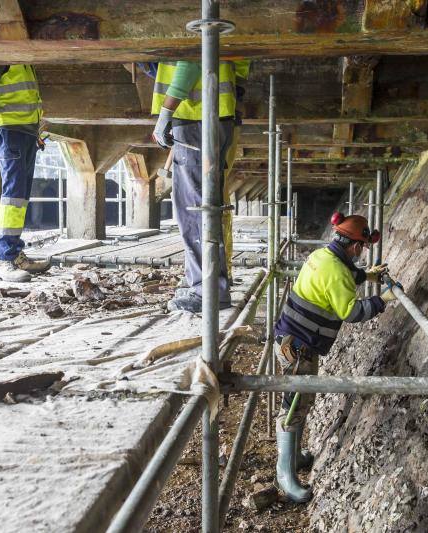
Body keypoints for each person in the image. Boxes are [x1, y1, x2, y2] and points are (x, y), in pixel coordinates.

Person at [272, 212, 397, 502]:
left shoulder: (322, 256)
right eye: (362, 247)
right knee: (292, 406)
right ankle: (284, 474)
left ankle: (294, 457)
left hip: (292, 340)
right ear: (354, 246)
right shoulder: (337, 271)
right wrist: (383, 300)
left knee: (299, 402)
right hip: (298, 348)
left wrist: (367, 275)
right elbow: (352, 312)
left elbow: (344, 273)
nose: (362, 252)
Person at [151, 59, 248, 312]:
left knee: (194, 212)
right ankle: (206, 285)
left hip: (195, 117)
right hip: (213, 117)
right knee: (203, 208)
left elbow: (192, 62)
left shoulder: (188, 27)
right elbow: (240, 70)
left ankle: (207, 291)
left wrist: (165, 114)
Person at [0, 64, 51, 282]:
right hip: (8, 130)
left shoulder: (25, 62)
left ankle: (14, 254)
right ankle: (3, 259)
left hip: (25, 132)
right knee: (13, 197)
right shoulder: (1, 56)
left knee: (20, 197)